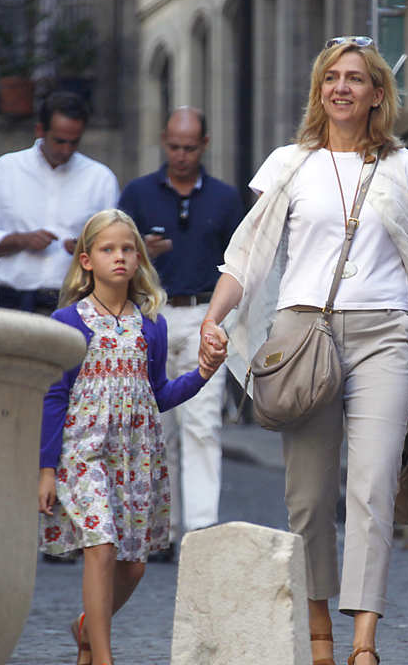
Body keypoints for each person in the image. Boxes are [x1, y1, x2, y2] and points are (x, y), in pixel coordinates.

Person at [196, 36, 408, 665]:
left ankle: (363, 644)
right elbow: (249, 257)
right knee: (309, 497)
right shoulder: (289, 164)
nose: (342, 87)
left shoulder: (404, 169)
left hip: (384, 336)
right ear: (321, 90)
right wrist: (214, 317)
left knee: (369, 486)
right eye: (332, 77)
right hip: (302, 336)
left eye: (356, 78)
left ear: (375, 94)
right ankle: (320, 638)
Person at [37, 209, 226, 665]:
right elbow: (54, 396)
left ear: (139, 258)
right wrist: (46, 468)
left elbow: (156, 394)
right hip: (83, 451)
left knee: (133, 566)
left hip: (137, 455)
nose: (119, 257)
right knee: (99, 546)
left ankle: (87, 627)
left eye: (127, 249)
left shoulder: (151, 323)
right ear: (87, 260)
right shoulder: (68, 320)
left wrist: (202, 373)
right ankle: (103, 656)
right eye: (108, 249)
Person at [118, 106, 244, 541]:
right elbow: (111, 257)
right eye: (174, 146)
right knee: (155, 425)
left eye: (190, 147)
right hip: (151, 316)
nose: (181, 155)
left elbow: (241, 265)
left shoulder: (226, 199)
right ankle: (161, 529)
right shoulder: (136, 194)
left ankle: (201, 530)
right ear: (162, 141)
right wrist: (139, 255)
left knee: (203, 421)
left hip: (205, 314)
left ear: (204, 145)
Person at [0, 91, 118, 315]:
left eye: (73, 142)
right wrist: (20, 240)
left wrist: (86, 248)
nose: (66, 150)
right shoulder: (6, 169)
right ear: (40, 131)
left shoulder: (100, 178)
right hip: (15, 298)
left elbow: (115, 246)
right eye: (59, 141)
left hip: (77, 300)